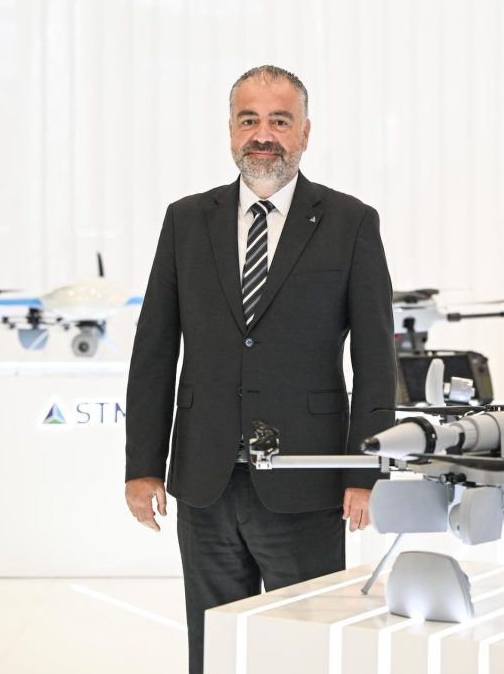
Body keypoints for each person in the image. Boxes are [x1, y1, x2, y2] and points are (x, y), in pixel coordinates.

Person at [124, 65, 396, 674]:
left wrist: (366, 471)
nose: (263, 134)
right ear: (230, 130)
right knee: (214, 648)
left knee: (306, 651)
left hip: (307, 480)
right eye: (249, 120)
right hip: (205, 480)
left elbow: (377, 358)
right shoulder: (186, 220)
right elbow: (154, 350)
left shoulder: (351, 222)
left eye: (279, 120)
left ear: (305, 132)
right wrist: (142, 465)